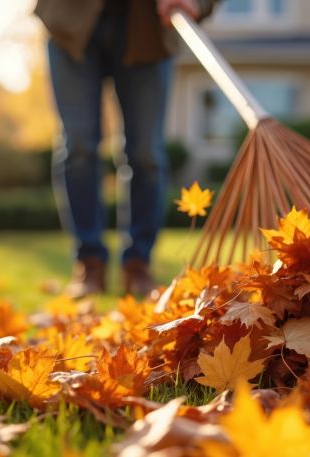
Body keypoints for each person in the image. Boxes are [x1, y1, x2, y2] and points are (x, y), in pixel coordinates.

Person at [35, 0, 218, 297]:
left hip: (148, 29)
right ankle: (89, 262)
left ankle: (138, 265)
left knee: (146, 153)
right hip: (71, 20)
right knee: (78, 146)